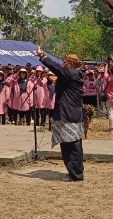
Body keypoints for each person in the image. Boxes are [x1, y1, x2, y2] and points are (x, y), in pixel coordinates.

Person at [36, 48, 84, 182]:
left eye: (66, 61)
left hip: (68, 115)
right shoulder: (75, 74)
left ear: (71, 63)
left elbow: (55, 67)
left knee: (70, 146)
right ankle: (76, 172)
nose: (64, 63)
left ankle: (75, 174)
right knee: (73, 145)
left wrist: (42, 56)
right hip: (73, 113)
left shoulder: (70, 73)